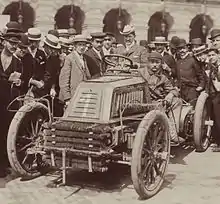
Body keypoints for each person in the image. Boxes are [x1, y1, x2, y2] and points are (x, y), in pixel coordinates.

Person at [139, 52, 185, 144]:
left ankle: (173, 133)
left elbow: (173, 90)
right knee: (159, 107)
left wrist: (170, 95)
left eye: (157, 62)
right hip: (140, 102)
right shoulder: (139, 73)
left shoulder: (163, 77)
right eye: (152, 62)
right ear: (147, 63)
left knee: (177, 102)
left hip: (157, 103)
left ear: (161, 64)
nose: (155, 65)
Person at [0, 26, 21, 177]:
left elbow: (19, 80)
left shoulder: (17, 62)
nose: (14, 46)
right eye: (11, 43)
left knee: (4, 132)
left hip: (7, 103)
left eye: (16, 44)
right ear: (4, 42)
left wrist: (19, 82)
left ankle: (2, 164)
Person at [59, 35, 91, 106]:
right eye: (79, 45)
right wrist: (67, 98)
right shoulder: (69, 58)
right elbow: (64, 80)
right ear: (75, 46)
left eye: (84, 45)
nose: (82, 47)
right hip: (72, 95)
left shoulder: (83, 58)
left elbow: (87, 76)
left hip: (82, 95)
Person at [175, 38, 206, 105]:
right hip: (181, 91)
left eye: (183, 48)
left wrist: (201, 86)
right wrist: (176, 86)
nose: (181, 50)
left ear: (187, 48)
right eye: (179, 49)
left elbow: (200, 75)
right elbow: (177, 77)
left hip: (192, 90)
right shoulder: (178, 62)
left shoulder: (193, 60)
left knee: (191, 109)